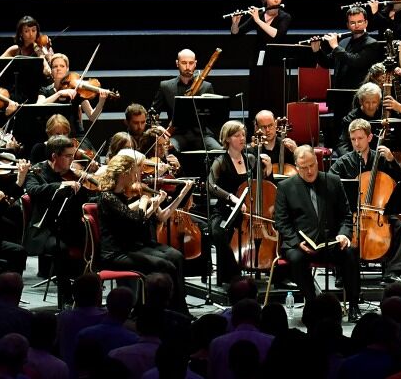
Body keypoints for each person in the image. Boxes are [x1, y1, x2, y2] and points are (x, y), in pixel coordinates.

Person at [93, 149, 192, 313]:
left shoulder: (120, 196)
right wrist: (144, 202)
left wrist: (150, 205)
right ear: (124, 174)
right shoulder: (107, 197)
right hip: (115, 253)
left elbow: (138, 221)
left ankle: (178, 308)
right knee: (165, 265)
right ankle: (161, 310)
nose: (135, 176)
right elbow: (136, 221)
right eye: (133, 172)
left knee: (175, 256)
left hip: (128, 247)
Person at [275, 146, 363, 310]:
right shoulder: (285, 187)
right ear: (296, 166)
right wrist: (296, 242)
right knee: (296, 259)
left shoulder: (333, 181)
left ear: (317, 162)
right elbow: (281, 221)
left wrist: (344, 235)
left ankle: (353, 305)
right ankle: (313, 303)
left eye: (312, 165)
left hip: (329, 242)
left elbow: (346, 215)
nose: (309, 171)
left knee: (351, 253)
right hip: (300, 245)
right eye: (304, 167)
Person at [329, 118, 401, 284]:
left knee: (399, 226)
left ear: (370, 138)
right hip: (352, 213)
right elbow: (329, 183)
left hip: (377, 211)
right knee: (338, 226)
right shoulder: (343, 162)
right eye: (353, 139)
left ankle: (392, 271)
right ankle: (342, 273)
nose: (357, 143)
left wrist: (391, 160)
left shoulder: (380, 159)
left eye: (360, 138)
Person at [205, 121, 273, 283]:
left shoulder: (250, 159)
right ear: (227, 139)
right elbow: (210, 185)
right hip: (225, 211)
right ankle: (231, 277)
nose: (242, 138)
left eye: (243, 134)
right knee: (220, 233)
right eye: (237, 135)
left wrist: (268, 169)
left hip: (249, 213)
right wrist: (232, 197)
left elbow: (263, 186)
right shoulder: (220, 161)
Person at [151, 49, 221, 151]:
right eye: (184, 63)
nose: (188, 67)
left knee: (219, 151)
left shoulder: (206, 86)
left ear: (195, 64)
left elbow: (213, 116)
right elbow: (152, 113)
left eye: (191, 63)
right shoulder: (165, 86)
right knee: (165, 150)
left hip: (202, 135)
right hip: (177, 134)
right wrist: (158, 127)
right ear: (177, 63)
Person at [311, 5, 382, 91]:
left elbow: (356, 61)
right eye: (352, 23)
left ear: (366, 23)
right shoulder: (343, 42)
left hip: (359, 93)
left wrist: (335, 47)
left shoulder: (372, 43)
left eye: (360, 22)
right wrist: (317, 50)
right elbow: (327, 63)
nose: (356, 26)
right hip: (339, 91)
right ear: (348, 25)